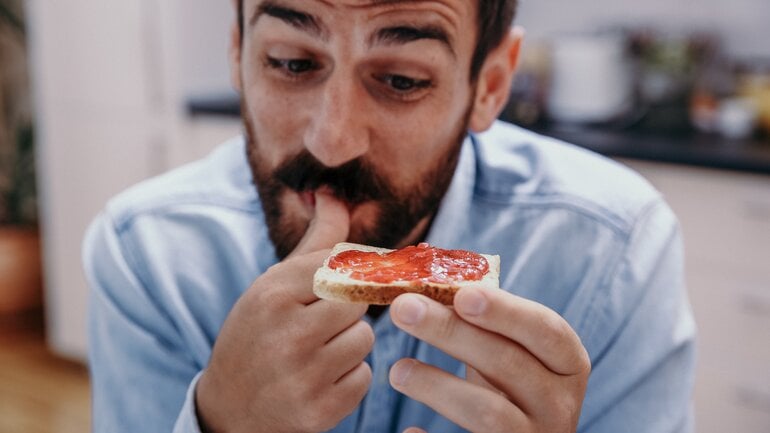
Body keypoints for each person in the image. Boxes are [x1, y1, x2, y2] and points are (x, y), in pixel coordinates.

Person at [83, 0, 696, 432]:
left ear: (491, 84)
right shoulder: (146, 254)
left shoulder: (613, 250)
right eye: (291, 63)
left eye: (401, 80)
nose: (331, 141)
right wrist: (221, 422)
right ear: (238, 51)